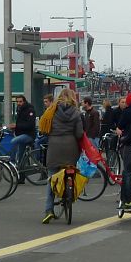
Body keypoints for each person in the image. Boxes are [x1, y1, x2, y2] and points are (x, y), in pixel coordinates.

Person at [42, 87, 84, 224]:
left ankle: (48, 210)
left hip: (54, 147)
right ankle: (68, 195)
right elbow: (79, 134)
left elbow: (45, 130)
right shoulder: (76, 113)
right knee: (69, 172)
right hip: (70, 147)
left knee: (52, 177)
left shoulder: (51, 111)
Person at [10, 94, 37, 178]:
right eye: (17, 101)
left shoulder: (30, 110)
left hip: (29, 135)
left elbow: (29, 125)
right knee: (21, 157)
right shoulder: (19, 109)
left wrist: (16, 126)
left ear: (24, 101)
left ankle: (12, 162)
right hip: (22, 135)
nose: (18, 103)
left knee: (14, 141)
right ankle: (21, 177)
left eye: (20, 101)